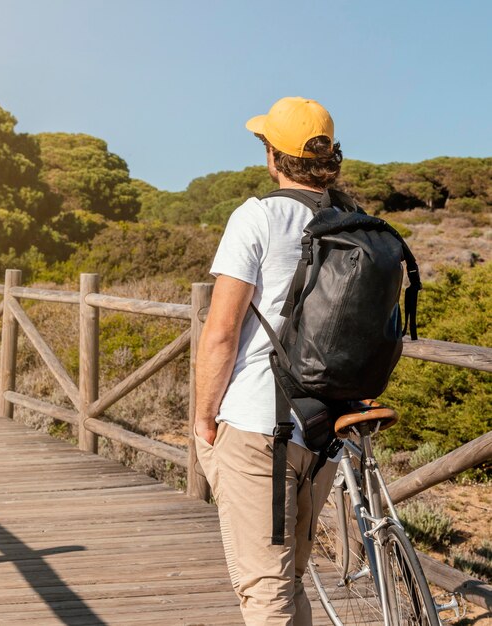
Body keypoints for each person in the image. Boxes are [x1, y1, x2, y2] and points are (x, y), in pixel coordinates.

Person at [194, 96, 344, 625]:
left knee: (265, 592)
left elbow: (220, 333)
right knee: (286, 583)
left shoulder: (257, 216)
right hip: (324, 428)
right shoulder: (353, 222)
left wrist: (203, 419)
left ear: (273, 156)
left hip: (258, 426)